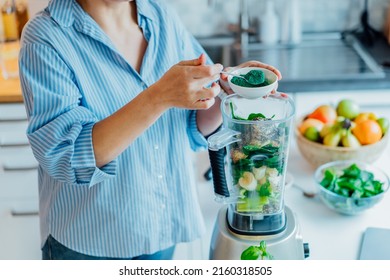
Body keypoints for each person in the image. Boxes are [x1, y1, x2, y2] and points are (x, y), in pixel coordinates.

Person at [18, 0, 282, 260]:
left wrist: (226, 92)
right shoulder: (44, 37)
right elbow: (67, 155)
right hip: (90, 244)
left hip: (161, 228)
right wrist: (158, 97)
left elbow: (192, 125)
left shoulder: (160, 14)